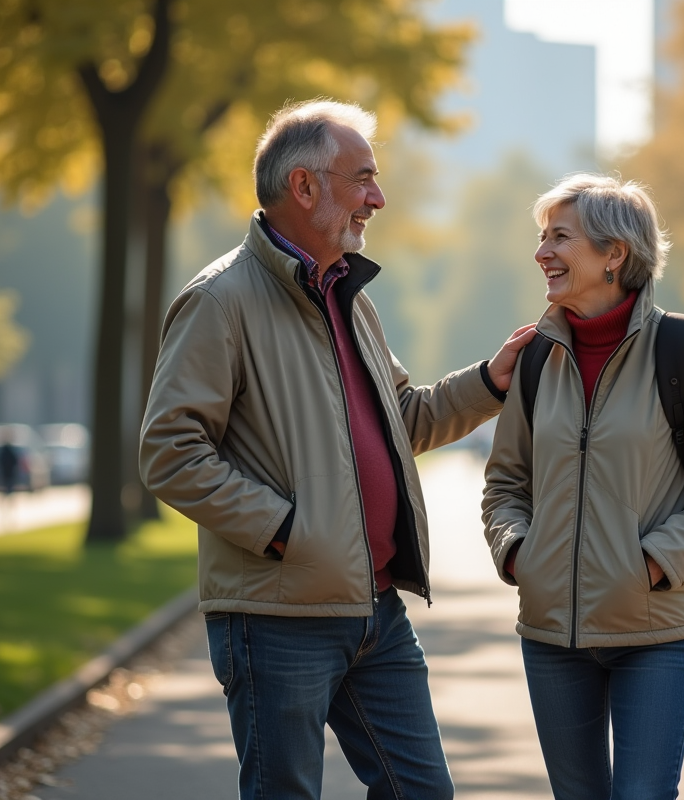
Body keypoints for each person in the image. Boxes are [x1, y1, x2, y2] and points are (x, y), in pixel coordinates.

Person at [139, 99, 535, 800]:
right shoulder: (219, 300)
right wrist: (288, 532)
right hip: (277, 616)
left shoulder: (348, 295)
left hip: (375, 613)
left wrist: (488, 383)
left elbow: (402, 421)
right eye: (363, 179)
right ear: (304, 188)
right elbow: (171, 452)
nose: (377, 199)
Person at [481, 173, 684, 800]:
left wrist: (658, 562)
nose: (542, 253)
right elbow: (505, 482)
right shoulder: (535, 358)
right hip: (552, 635)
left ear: (614, 254)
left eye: (560, 237)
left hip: (655, 632)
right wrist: (519, 552)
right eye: (541, 237)